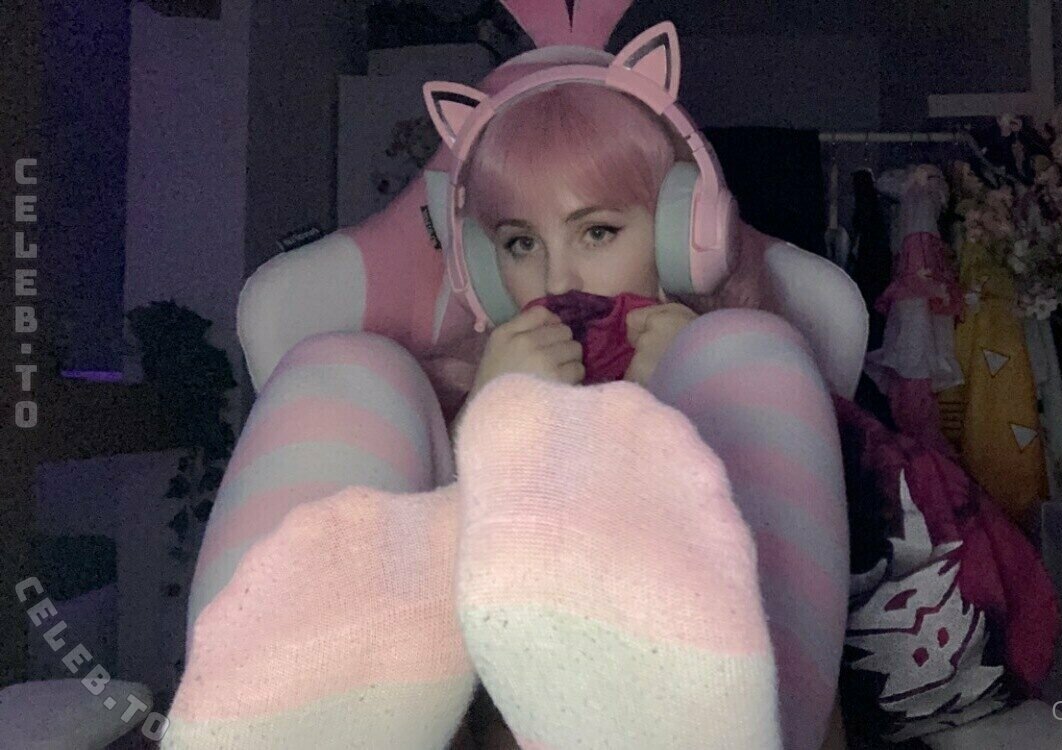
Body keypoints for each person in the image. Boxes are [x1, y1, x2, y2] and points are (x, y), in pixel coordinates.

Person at [161, 7, 848, 750]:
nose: (557, 278)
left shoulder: (741, 367)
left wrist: (677, 409)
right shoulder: (449, 391)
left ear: (683, 235)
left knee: (748, 347)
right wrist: (489, 422)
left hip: (729, 694)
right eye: (520, 243)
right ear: (484, 269)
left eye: (598, 232)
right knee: (342, 367)